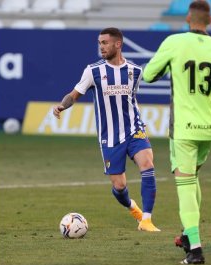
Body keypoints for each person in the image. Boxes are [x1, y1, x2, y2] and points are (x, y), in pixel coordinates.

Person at [143, 0, 211, 264]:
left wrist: (169, 66)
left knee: (185, 185)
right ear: (210, 21)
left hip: (184, 129)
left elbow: (148, 75)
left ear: (188, 18)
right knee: (193, 178)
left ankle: (195, 250)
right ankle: (189, 235)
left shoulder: (174, 42)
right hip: (210, 129)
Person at [53, 27, 160, 232]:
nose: (101, 46)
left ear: (117, 44)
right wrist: (61, 106)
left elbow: (132, 100)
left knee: (147, 164)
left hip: (134, 129)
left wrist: (139, 123)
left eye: (105, 42)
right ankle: (133, 207)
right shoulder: (93, 71)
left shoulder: (135, 71)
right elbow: (74, 94)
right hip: (110, 136)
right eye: (99, 43)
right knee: (119, 186)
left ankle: (146, 220)